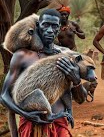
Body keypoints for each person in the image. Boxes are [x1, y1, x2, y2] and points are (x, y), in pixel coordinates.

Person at [0, 9, 87, 137]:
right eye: (45, 25)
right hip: (31, 124)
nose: (50, 30)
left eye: (54, 26)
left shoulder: (66, 56)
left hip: (59, 124)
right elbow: (4, 96)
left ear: (59, 28)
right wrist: (26, 114)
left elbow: (81, 99)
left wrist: (76, 79)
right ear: (37, 26)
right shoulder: (23, 56)